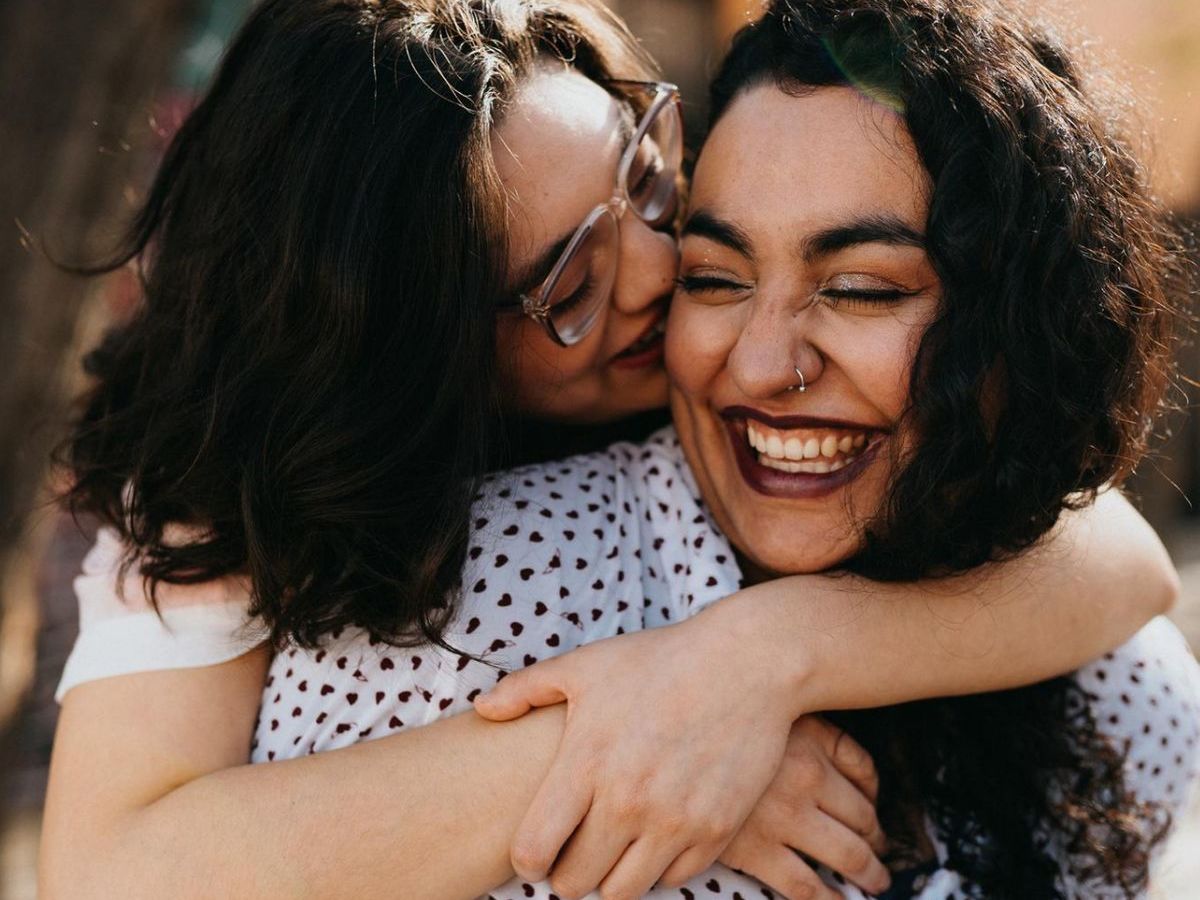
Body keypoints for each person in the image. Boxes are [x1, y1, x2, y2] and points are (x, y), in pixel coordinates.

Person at [39, 0, 1187, 898]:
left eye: (643, 179)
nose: (660, 269)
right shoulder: (239, 500)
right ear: (423, 364)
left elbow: (1119, 558)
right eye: (569, 283)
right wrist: (631, 752)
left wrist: (756, 664)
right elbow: (115, 876)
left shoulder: (730, 341)